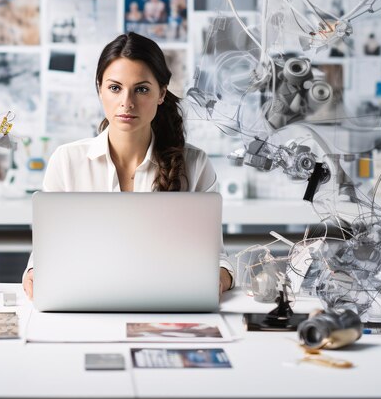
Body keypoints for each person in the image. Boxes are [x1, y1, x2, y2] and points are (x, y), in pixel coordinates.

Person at [22, 32, 234, 299]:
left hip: (167, 302)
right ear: (100, 89)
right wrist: (36, 272)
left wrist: (219, 278)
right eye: (115, 88)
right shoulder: (66, 161)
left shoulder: (195, 164)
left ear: (161, 93)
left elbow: (217, 258)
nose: (127, 102)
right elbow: (45, 254)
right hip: (85, 300)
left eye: (142, 89)